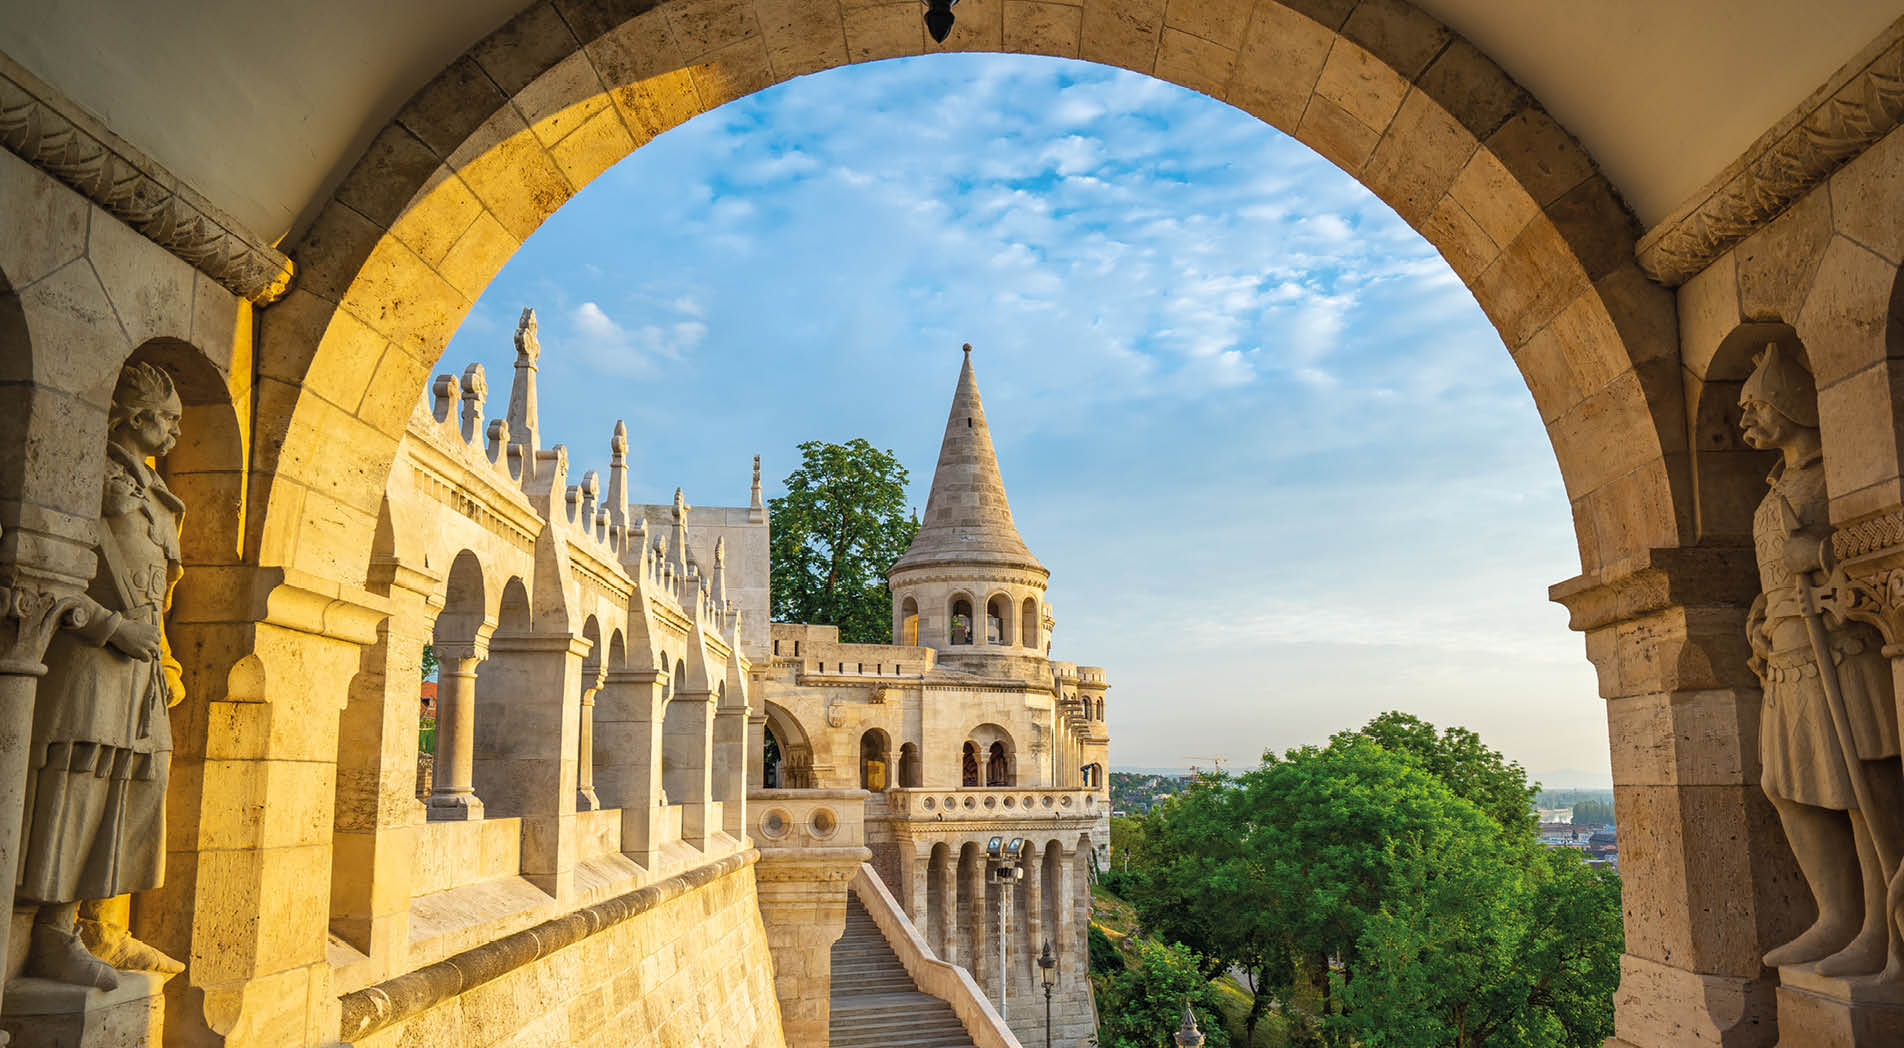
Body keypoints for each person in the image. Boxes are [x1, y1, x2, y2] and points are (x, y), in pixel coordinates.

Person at [19, 362, 187, 988]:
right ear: (132, 416)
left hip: (141, 670)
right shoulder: (91, 470)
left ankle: (101, 926)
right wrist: (112, 629)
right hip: (91, 661)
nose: (173, 431)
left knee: (133, 789)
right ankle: (51, 934)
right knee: (77, 784)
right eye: (165, 418)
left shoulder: (158, 495)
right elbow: (49, 569)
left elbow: (156, 596)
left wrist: (162, 656)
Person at [1742, 343, 1904, 977]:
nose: (1747, 422)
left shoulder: (1838, 472)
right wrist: (1762, 617)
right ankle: (1834, 915)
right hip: (1785, 659)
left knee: (1862, 789)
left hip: (1841, 651)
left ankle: (1875, 929)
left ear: (1789, 404)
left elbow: (1875, 544)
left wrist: (1825, 551)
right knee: (1785, 789)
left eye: (1756, 406)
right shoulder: (1778, 486)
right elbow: (1776, 577)